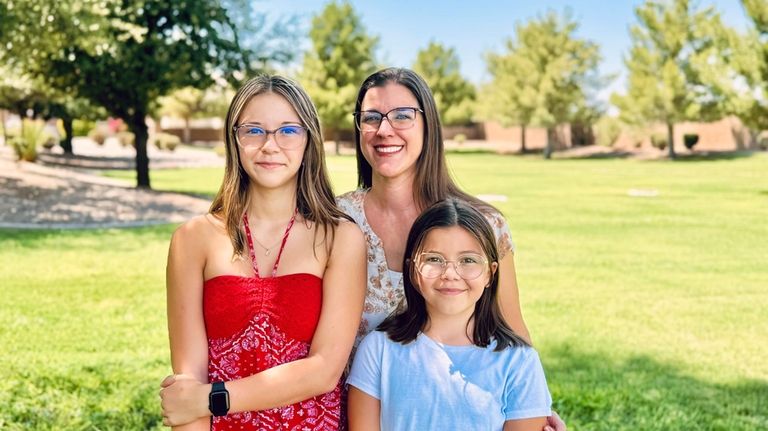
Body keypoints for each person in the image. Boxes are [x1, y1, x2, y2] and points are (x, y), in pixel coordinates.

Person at [336, 67, 566, 430]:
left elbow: (510, 325)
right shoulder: (332, 220)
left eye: (402, 115)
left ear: (429, 125)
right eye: (371, 117)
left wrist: (533, 405)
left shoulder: (483, 225)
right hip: (351, 412)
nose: (384, 129)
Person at [159, 75, 366, 430]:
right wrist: (196, 403)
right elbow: (185, 392)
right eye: (253, 130)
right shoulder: (193, 239)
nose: (270, 145)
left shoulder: (340, 238)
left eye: (288, 130)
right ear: (234, 140)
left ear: (309, 140)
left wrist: (214, 398)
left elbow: (324, 371)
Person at [347, 198, 552, 430]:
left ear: (490, 274)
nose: (450, 273)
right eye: (434, 259)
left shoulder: (519, 361)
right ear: (412, 270)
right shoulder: (378, 350)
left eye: (468, 260)